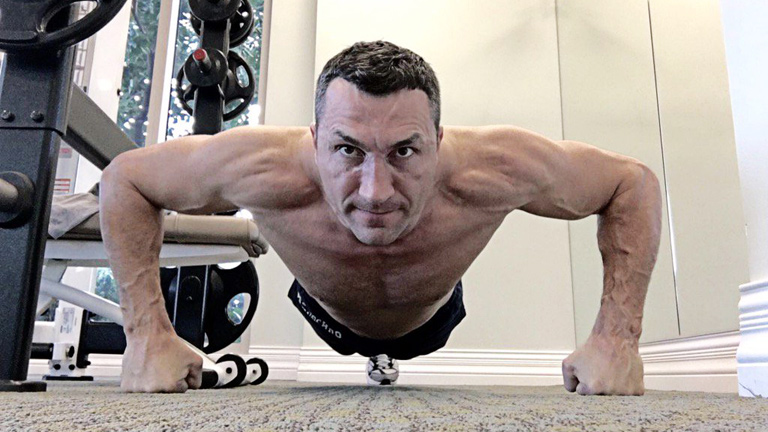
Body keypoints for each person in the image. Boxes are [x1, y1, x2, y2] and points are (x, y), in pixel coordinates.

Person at [100, 40, 661, 395]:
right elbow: (125, 179)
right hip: (325, 315)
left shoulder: (495, 166)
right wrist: (146, 336)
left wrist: (618, 340)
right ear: (315, 138)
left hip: (433, 321)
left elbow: (631, 184)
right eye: (347, 150)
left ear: (438, 140)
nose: (375, 191)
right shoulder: (260, 165)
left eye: (405, 151)